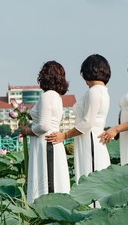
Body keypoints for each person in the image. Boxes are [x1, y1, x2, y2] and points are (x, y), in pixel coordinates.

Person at [46, 54, 111, 183]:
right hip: (91, 138)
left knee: (90, 179)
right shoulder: (102, 90)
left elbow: (87, 122)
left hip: (90, 138)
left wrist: (64, 135)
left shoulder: (94, 91)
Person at [20, 61, 70, 204]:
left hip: (46, 144)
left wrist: (27, 130)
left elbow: (44, 125)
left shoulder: (47, 96)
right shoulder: (56, 97)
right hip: (47, 144)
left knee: (47, 184)